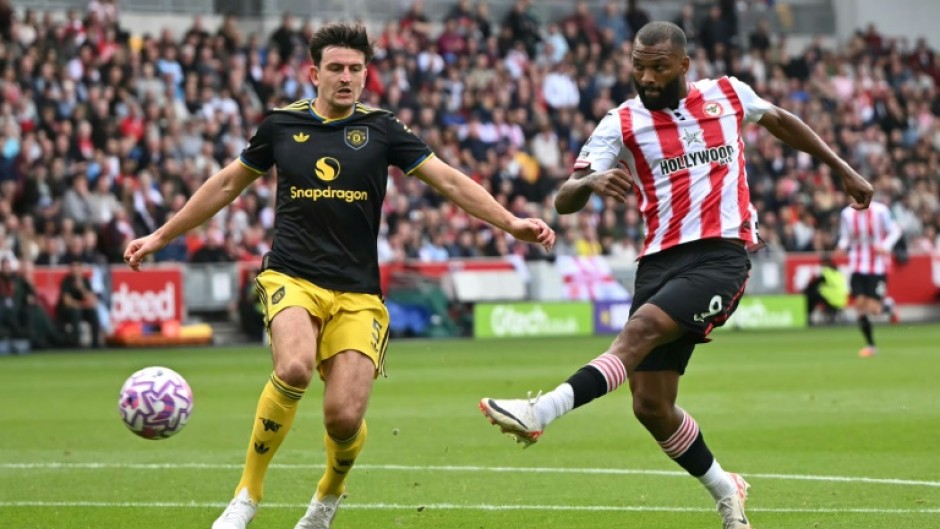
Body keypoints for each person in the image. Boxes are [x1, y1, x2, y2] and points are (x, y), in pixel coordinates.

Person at [122, 22, 555, 529]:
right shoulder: (280, 126)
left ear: (366, 75)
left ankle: (326, 499)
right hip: (291, 276)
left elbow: (450, 180)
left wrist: (511, 223)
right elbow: (223, 186)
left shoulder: (383, 129)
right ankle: (247, 495)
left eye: (355, 69)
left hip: (357, 292)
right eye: (336, 69)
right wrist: (159, 237)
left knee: (344, 418)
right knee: (295, 368)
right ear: (314, 73)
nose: (346, 77)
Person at [479, 21, 872, 529]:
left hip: (720, 258)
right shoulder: (621, 122)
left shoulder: (727, 94)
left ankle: (542, 412)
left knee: (637, 334)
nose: (646, 76)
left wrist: (841, 167)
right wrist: (593, 180)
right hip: (658, 263)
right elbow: (564, 198)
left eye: (658, 67)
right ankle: (726, 489)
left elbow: (779, 119)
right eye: (638, 66)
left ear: (684, 65)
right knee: (651, 406)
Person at [836, 198, 900, 357]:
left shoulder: (881, 211)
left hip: (877, 266)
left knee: (874, 309)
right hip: (856, 265)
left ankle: (888, 306)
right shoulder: (846, 214)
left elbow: (895, 230)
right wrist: (841, 246)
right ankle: (871, 345)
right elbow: (845, 236)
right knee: (859, 305)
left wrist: (885, 246)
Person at [803, 253, 848, 325]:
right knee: (816, 293)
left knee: (811, 296)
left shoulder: (826, 271)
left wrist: (805, 290)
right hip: (842, 300)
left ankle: (808, 316)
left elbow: (815, 283)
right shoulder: (838, 272)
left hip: (831, 299)